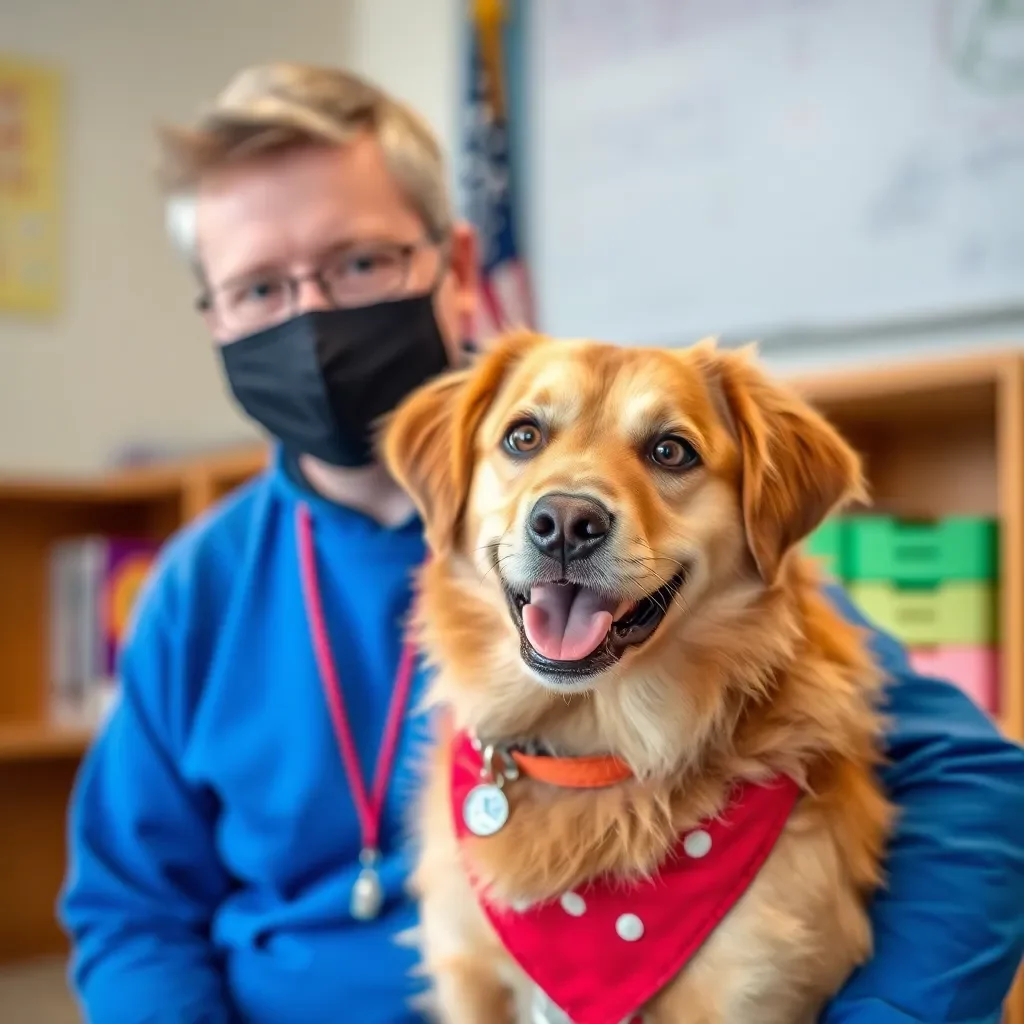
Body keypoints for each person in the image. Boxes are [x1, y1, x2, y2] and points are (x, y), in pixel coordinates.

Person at [59, 63, 1024, 1024]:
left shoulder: (701, 579)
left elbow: (975, 782)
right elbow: (131, 912)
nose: (311, 318)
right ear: (217, 316)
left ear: (459, 266)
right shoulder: (194, 588)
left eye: (359, 263)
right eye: (259, 287)